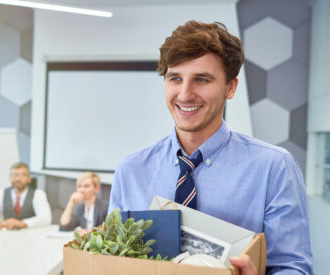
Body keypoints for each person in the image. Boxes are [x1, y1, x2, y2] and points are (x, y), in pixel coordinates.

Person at [108, 21, 312, 275]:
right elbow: (112, 259)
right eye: (175, 78)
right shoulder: (131, 170)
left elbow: (293, 268)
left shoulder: (274, 167)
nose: (184, 94)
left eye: (201, 79)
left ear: (231, 87)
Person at [0, 162, 51, 230]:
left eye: (22, 175)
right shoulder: (1, 193)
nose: (17, 179)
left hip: (31, 237)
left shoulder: (38, 194)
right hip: (6, 237)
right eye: (14, 175)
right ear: (9, 178)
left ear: (29, 179)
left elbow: (46, 218)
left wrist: (21, 223)